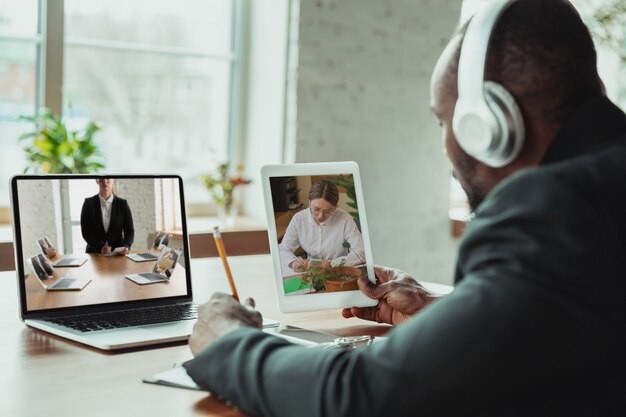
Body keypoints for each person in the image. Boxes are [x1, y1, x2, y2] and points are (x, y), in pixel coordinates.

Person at [186, 1, 625, 416]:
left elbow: (362, 397)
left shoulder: (553, 214)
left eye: (443, 120)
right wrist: (448, 315)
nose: (446, 144)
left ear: (487, 126)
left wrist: (230, 343)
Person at [279, 179, 365, 273]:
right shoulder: (299, 219)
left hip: (337, 272)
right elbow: (284, 248)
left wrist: (332, 264)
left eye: (328, 211)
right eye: (316, 209)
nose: (321, 216)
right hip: (310, 272)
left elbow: (361, 252)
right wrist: (293, 263)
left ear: (336, 207)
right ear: (309, 202)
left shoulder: (345, 219)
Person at [80, 178, 134, 254]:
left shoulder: (123, 204)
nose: (105, 181)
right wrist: (100, 248)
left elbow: (129, 230)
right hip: (94, 253)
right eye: (102, 178)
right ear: (97, 180)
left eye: (108, 178)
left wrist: (126, 246)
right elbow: (86, 232)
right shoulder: (88, 203)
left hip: (118, 253)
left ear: (113, 180)